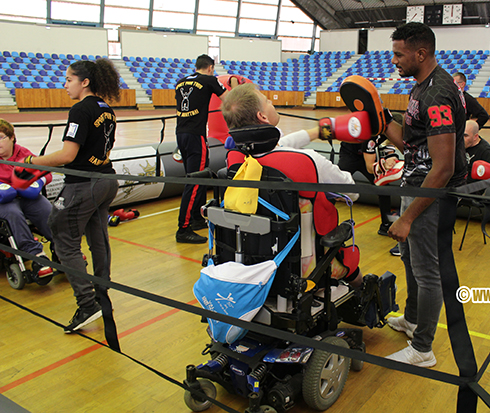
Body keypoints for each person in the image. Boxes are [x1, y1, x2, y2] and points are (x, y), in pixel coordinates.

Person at [383, 23, 467, 367]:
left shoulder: (437, 95)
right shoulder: (421, 87)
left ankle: (422, 348)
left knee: (427, 269)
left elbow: (443, 168)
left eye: (399, 54)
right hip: (415, 180)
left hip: (432, 193)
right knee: (409, 260)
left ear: (421, 53)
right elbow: (413, 144)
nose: (394, 60)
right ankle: (413, 319)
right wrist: (383, 123)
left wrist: (407, 216)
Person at [220, 82, 363, 286]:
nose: (271, 101)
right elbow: (352, 192)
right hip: (304, 265)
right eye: (267, 100)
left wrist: (315, 132)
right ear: (263, 117)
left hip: (251, 260)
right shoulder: (308, 161)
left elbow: (278, 149)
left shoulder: (236, 160)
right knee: (350, 262)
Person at [15, 59, 121, 333]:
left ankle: (87, 304)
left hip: (84, 184)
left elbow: (67, 155)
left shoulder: (80, 109)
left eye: (69, 80)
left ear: (84, 82)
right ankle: (101, 290)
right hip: (106, 179)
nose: (65, 85)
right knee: (98, 235)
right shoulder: (106, 109)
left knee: (63, 236)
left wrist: (32, 162)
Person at [175, 54, 230, 244]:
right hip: (196, 135)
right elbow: (229, 100)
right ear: (210, 67)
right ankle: (183, 228)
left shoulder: (180, 82)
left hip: (180, 134)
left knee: (197, 176)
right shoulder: (209, 80)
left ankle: (196, 219)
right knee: (196, 180)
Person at [0, 119, 54, 278]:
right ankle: (36, 256)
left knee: (46, 209)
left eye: (0, 137)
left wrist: (38, 182)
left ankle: (63, 248)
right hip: (5, 200)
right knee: (13, 214)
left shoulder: (22, 153)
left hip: (25, 196)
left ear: (11, 137)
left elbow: (45, 172)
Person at [463, 120, 490, 185]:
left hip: (473, 188)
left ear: (475, 137)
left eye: (466, 136)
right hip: (458, 185)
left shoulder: (484, 150)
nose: (462, 139)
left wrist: (485, 171)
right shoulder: (459, 145)